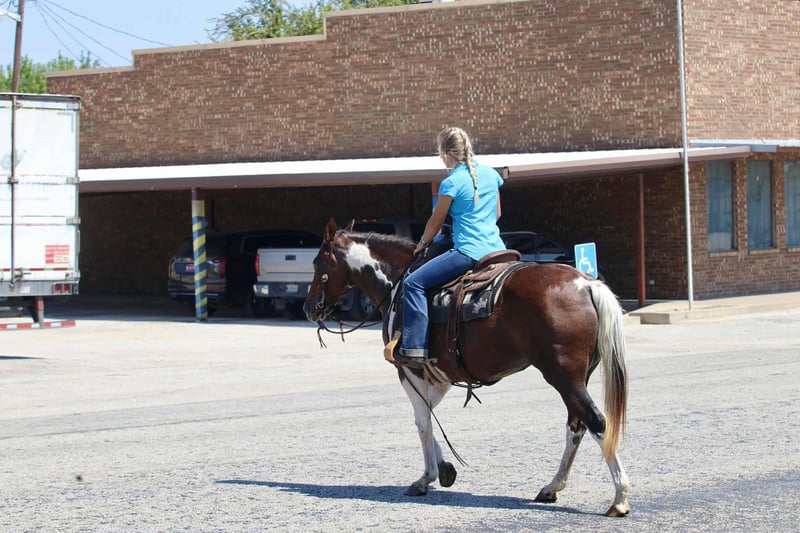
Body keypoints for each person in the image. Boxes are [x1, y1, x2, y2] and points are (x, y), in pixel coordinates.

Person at [386, 126, 506, 366]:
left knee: (413, 283)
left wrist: (422, 244)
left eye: (441, 154)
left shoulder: (451, 182)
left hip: (469, 252)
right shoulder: (492, 175)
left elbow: (436, 222)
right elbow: (497, 214)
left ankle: (415, 348)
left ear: (448, 154)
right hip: (499, 250)